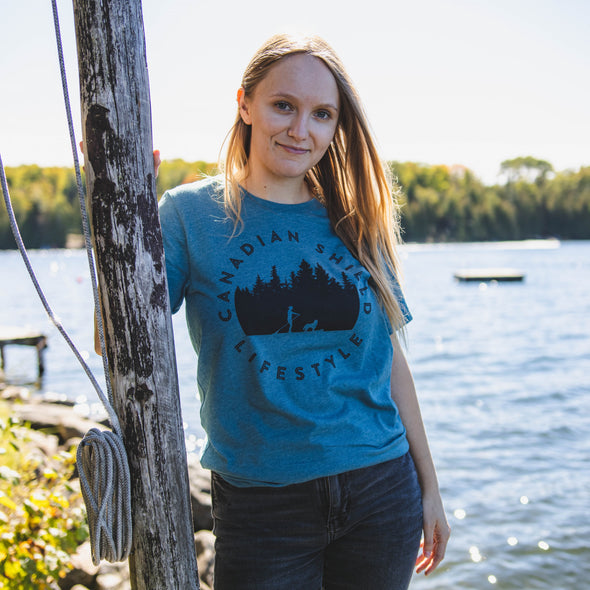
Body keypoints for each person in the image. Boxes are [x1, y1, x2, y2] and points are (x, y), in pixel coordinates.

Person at [158, 33, 450, 589]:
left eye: (322, 114)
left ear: (336, 127)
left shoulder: (355, 218)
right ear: (245, 104)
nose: (301, 129)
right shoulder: (189, 215)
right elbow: (116, 340)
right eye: (283, 105)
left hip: (380, 490)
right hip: (262, 505)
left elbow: (389, 364)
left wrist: (430, 487)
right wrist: (119, 216)